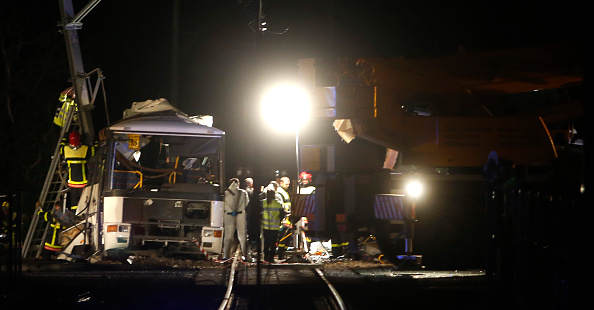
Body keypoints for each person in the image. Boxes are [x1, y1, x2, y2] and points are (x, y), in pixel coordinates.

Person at [61, 131, 92, 211]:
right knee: (85, 201)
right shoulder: (85, 149)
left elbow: (61, 147)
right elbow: (94, 151)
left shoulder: (65, 149)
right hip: (83, 182)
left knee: (74, 202)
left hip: (72, 183)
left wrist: (64, 138)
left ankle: (75, 215)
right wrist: (95, 142)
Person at [223, 178, 250, 260]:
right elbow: (246, 202)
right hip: (240, 214)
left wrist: (230, 210)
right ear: (238, 184)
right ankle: (246, 255)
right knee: (242, 236)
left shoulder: (225, 193)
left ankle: (226, 255)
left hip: (228, 215)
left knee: (228, 236)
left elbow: (223, 204)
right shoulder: (243, 192)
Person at [261, 183, 284, 262]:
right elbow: (282, 215)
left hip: (265, 226)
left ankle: (265, 257)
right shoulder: (279, 204)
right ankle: (271, 258)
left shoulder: (263, 203)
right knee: (273, 242)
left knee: (266, 242)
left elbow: (259, 214)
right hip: (275, 227)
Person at [276, 176, 292, 259]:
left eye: (288, 184)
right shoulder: (279, 192)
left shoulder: (283, 191)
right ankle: (280, 254)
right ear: (281, 183)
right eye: (286, 184)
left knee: (287, 235)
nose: (288, 185)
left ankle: (282, 253)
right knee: (283, 236)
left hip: (287, 217)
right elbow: (281, 205)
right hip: (284, 217)